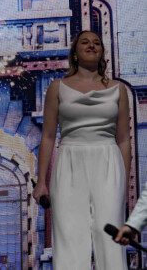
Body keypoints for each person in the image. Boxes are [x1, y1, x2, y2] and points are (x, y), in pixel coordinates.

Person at [33, 30, 130, 269]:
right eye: (85, 42)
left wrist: (123, 181)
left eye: (96, 43)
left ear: (102, 52)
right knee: (69, 234)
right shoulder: (58, 87)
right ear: (75, 52)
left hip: (107, 159)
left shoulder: (119, 89)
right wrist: (41, 181)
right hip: (69, 160)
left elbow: (124, 140)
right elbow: (47, 137)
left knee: (108, 234)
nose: (91, 45)